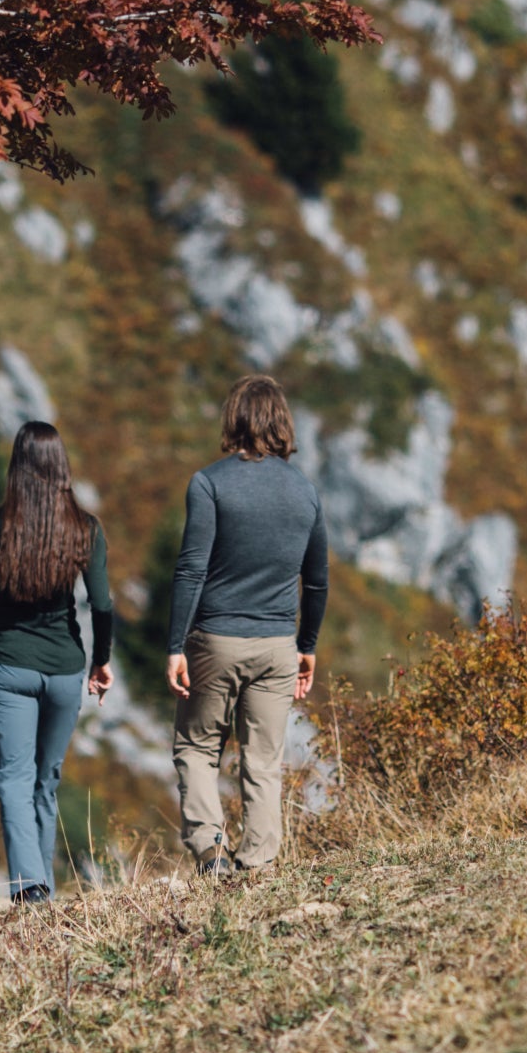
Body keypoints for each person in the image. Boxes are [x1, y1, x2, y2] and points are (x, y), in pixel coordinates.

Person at [0, 420, 114, 904]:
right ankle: (41, 895)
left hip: (12, 669)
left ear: (17, 466)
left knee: (14, 781)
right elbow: (102, 605)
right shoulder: (86, 529)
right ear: (61, 465)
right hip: (65, 671)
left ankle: (32, 889)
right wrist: (101, 662)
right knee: (45, 783)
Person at [166, 374, 327, 876]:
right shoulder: (305, 492)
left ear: (234, 418)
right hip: (279, 643)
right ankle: (257, 864)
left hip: (214, 639)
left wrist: (175, 644)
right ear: (282, 424)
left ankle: (212, 852)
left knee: (196, 744)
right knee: (263, 759)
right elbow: (316, 582)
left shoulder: (209, 482)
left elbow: (192, 568)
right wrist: (308, 645)